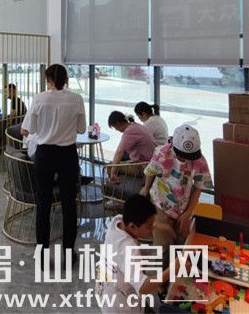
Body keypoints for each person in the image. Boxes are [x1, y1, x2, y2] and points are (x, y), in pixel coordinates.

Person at [21, 64, 86, 261]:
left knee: (43, 204)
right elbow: (82, 129)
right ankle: (69, 252)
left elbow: (28, 129)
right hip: (67, 154)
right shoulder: (77, 99)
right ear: (66, 79)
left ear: (48, 80)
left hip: (45, 154)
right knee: (69, 205)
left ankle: (41, 253)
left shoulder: (39, 98)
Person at [140, 124, 213, 265]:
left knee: (181, 243)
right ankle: (161, 277)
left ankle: (175, 275)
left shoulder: (199, 161)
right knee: (163, 246)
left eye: (189, 157)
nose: (185, 160)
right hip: (161, 203)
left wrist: (188, 212)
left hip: (183, 206)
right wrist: (145, 188)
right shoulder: (162, 153)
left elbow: (199, 186)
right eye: (182, 156)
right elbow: (151, 171)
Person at [99, 194, 181, 313]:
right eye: (149, 226)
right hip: (121, 307)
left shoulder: (117, 222)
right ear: (132, 226)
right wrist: (173, 269)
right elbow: (143, 287)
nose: (152, 230)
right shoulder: (129, 249)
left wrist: (162, 226)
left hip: (109, 291)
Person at [107, 111, 156, 183]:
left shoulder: (129, 132)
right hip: (152, 162)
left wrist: (113, 173)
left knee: (110, 166)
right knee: (118, 161)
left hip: (144, 166)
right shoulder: (135, 125)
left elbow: (119, 152)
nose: (116, 130)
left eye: (115, 127)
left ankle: (114, 184)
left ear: (117, 124)